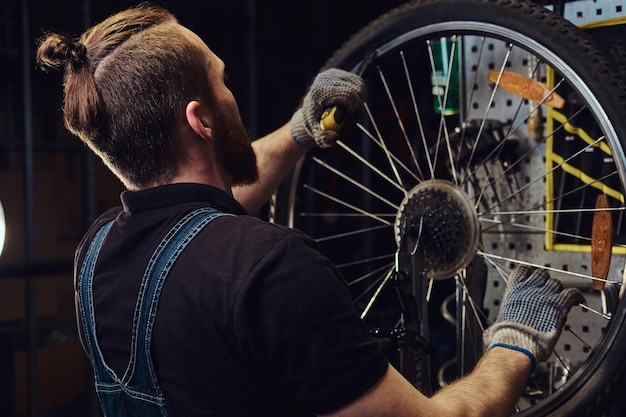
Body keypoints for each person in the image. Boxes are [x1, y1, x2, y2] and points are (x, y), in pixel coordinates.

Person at [36, 3, 584, 417]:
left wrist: (302, 132)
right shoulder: (270, 268)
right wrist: (515, 345)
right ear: (201, 120)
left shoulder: (98, 254)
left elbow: (199, 227)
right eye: (222, 79)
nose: (233, 93)